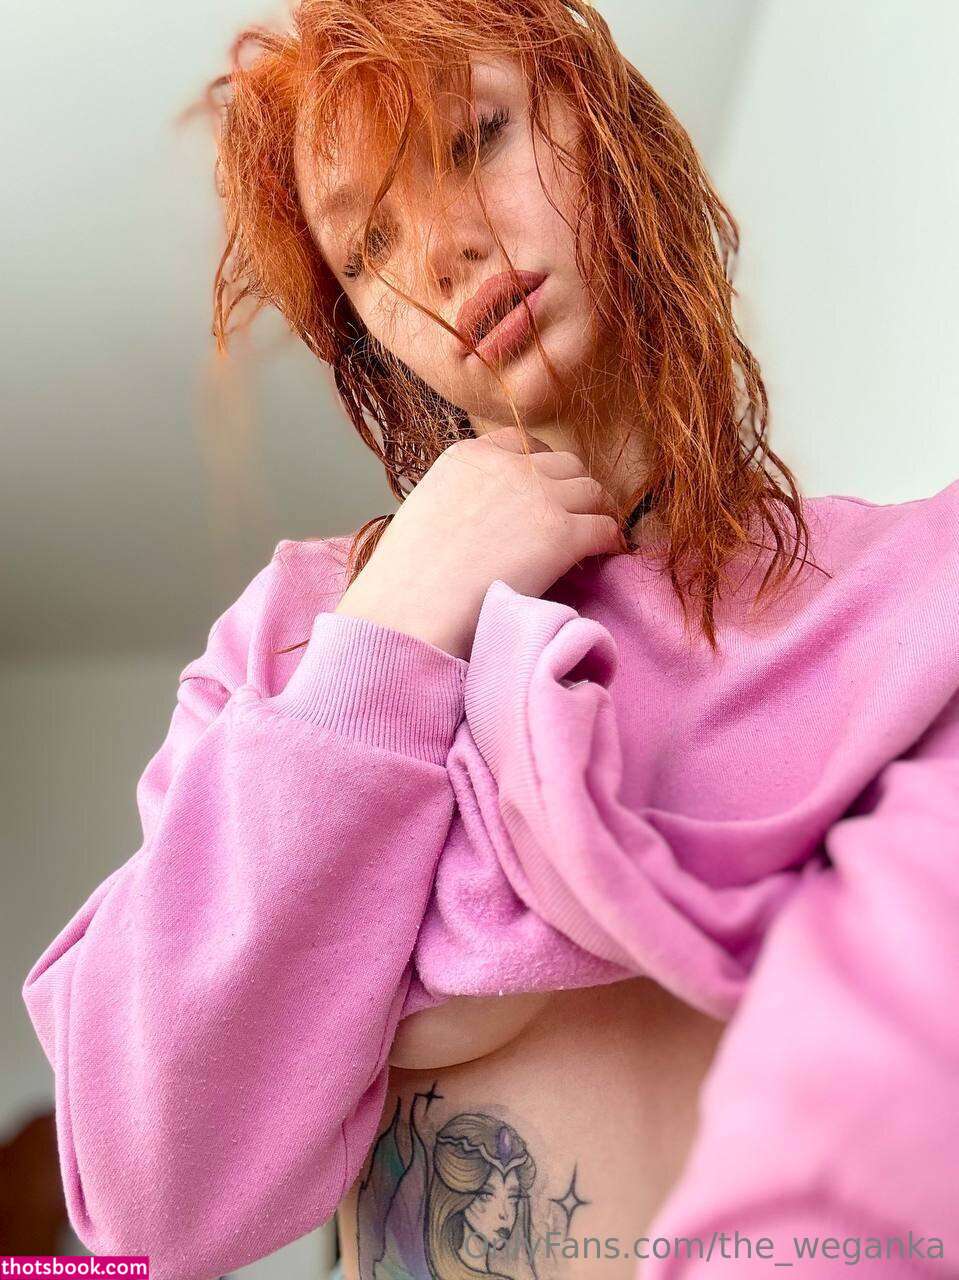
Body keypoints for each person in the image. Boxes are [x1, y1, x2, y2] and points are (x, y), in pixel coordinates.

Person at [22, 2, 959, 1278]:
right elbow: (146, 1194)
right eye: (368, 247)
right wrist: (390, 632)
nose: (442, 255)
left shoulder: (908, 602)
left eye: (473, 141)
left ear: (608, 125)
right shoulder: (295, 644)